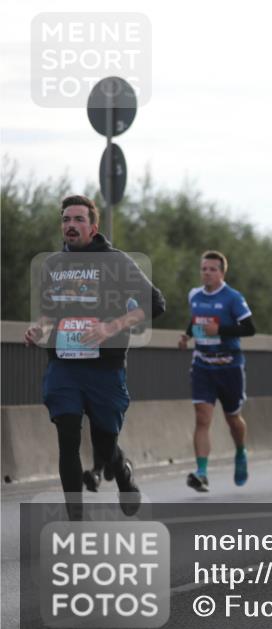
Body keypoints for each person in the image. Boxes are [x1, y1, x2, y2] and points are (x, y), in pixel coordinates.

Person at [25, 194, 165, 518]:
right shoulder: (54, 264)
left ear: (94, 226)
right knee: (68, 433)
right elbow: (50, 309)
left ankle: (123, 473)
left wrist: (111, 326)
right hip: (64, 364)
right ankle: (75, 518)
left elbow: (155, 303)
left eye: (78, 220)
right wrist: (38, 328)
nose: (70, 226)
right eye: (66, 219)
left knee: (104, 444)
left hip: (105, 367)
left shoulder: (116, 261)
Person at [178, 251, 255, 492]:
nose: (207, 273)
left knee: (233, 419)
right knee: (202, 417)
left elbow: (249, 329)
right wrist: (187, 336)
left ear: (222, 272)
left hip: (229, 366)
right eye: (204, 269)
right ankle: (201, 473)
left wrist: (220, 329)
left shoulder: (233, 297)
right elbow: (196, 320)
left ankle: (241, 452)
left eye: (212, 269)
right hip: (203, 364)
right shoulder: (194, 295)